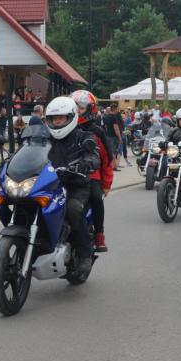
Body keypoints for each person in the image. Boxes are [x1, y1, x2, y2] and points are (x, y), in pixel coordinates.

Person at [43, 96, 100, 275]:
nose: (57, 122)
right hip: (51, 184)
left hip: (76, 184)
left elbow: (93, 156)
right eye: (54, 118)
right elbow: (29, 149)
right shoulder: (44, 137)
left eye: (61, 118)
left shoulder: (83, 136)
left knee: (73, 209)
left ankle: (84, 255)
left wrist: (86, 163)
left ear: (71, 117)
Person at [71, 90, 113, 253]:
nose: (77, 112)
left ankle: (99, 234)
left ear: (90, 109)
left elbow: (106, 158)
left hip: (90, 174)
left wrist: (106, 183)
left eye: (80, 108)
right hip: (66, 172)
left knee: (96, 197)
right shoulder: (63, 126)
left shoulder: (96, 131)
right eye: (74, 108)